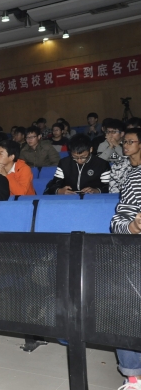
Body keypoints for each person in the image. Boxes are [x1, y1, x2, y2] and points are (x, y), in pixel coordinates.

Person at [110, 129, 141, 389]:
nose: (125, 145)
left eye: (131, 142)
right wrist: (132, 226)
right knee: (124, 296)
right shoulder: (135, 177)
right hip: (137, 252)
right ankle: (134, 377)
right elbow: (118, 221)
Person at [44, 134, 111, 195]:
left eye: (83, 157)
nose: (79, 160)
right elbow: (54, 184)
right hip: (69, 198)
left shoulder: (102, 164)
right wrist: (60, 191)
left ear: (90, 149)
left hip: (93, 199)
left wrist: (96, 191)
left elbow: (108, 187)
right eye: (75, 157)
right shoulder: (64, 163)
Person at [110, 128, 141, 194]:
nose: (125, 145)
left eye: (130, 142)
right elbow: (113, 192)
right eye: (124, 142)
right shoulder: (118, 166)